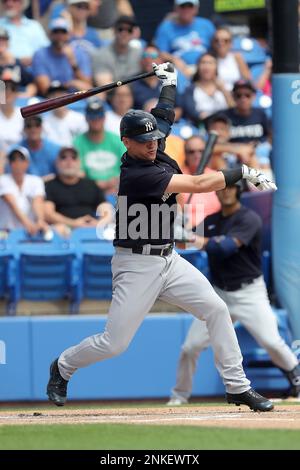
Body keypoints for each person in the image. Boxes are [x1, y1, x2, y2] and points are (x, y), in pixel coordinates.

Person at [46, 61, 276, 412]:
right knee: (115, 343)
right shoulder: (136, 174)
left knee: (216, 309)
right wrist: (241, 171)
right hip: (135, 263)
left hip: (168, 258)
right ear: (126, 142)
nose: (152, 144)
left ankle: (237, 386)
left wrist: (169, 81)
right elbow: (199, 184)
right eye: (143, 140)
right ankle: (63, 366)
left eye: (154, 138)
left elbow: (163, 113)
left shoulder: (153, 142)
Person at [167, 182, 300, 405]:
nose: (226, 191)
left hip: (249, 293)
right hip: (218, 294)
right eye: (221, 188)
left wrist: (190, 237)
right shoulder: (210, 221)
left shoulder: (249, 218)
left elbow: (225, 247)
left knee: (272, 342)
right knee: (190, 347)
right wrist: (178, 228)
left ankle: (297, 381)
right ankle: (179, 396)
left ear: (238, 191)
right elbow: (182, 244)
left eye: (230, 187)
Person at [45, 146, 113, 237]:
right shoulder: (50, 185)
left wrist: (99, 223)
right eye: (63, 157)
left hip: (92, 228)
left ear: (79, 162)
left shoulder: (91, 184)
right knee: (56, 231)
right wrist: (74, 223)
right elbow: (48, 213)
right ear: (57, 163)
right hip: (65, 229)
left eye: (73, 157)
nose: (69, 161)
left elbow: (105, 207)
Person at [73, 98, 125, 195]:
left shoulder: (116, 140)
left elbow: (127, 167)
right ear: (86, 118)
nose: (96, 120)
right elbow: (78, 173)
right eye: (92, 117)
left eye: (99, 116)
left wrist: (115, 183)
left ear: (104, 117)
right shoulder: (78, 142)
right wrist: (97, 185)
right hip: (89, 191)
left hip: (116, 188)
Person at [32, 17, 92, 96]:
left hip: (77, 98)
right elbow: (45, 88)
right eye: (56, 32)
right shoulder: (40, 54)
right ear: (50, 34)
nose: (59, 36)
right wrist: (71, 84)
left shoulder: (80, 53)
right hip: (52, 100)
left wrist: (73, 63)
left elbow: (88, 86)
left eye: (63, 32)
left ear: (69, 34)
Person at [154, 0, 215, 77]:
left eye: (190, 6)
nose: (186, 10)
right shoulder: (166, 27)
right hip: (179, 70)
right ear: (176, 8)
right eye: (183, 7)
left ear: (196, 9)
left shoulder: (206, 25)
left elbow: (217, 46)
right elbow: (160, 53)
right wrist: (174, 59)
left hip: (205, 67)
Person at [0, 145, 49, 235]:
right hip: (6, 232)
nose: (17, 163)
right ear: (10, 163)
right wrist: (28, 224)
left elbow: (38, 201)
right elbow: (12, 204)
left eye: (21, 159)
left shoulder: (36, 181)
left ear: (27, 163)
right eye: (13, 159)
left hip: (29, 232)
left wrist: (40, 221)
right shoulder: (3, 180)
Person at [181, 53, 234, 126]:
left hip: (224, 124)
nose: (207, 67)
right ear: (198, 66)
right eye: (203, 63)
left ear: (216, 67)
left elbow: (233, 108)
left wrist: (223, 90)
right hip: (200, 125)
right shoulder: (190, 89)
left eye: (210, 63)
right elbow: (191, 111)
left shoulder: (225, 87)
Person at [91, 15, 142, 85]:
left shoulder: (139, 53)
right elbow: (104, 85)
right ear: (114, 30)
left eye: (129, 30)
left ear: (133, 33)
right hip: (112, 94)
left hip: (136, 94)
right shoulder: (101, 54)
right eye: (120, 29)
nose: (124, 33)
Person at [20, 115, 61, 180]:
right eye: (29, 126)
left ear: (42, 128)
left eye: (37, 125)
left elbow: (62, 174)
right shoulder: (17, 150)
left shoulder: (56, 149)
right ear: (24, 129)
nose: (33, 129)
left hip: (51, 186)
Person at [211, 26, 251, 92]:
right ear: (213, 43)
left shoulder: (237, 57)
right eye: (217, 40)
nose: (221, 43)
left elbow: (248, 80)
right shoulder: (209, 59)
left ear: (231, 43)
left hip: (235, 96)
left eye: (225, 41)